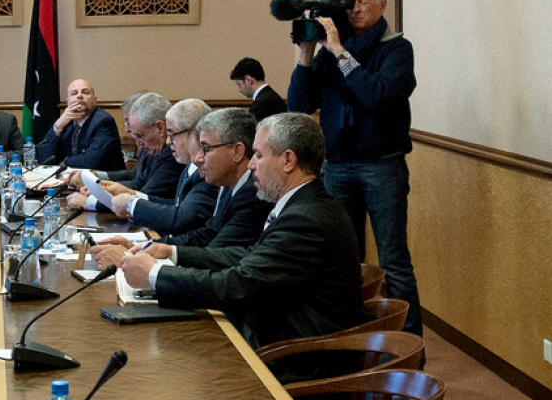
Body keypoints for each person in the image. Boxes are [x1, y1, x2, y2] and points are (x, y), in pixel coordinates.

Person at [119, 113, 371, 350]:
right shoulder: (306, 205)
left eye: (259, 155)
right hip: (278, 336)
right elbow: (250, 255)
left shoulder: (307, 219)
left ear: (288, 160)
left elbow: (237, 284)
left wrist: (154, 275)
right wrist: (173, 254)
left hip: (293, 357)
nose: (251, 165)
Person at [286, 0, 421, 335]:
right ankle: (353, 341)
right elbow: (299, 105)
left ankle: (409, 353)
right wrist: (306, 54)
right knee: (345, 260)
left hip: (382, 166)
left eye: (362, 2)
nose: (355, 9)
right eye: (350, 3)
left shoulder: (396, 49)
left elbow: (376, 94)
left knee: (394, 263)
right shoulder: (332, 50)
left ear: (383, 5)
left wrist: (339, 52)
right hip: (339, 165)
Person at [95, 109, 269, 268]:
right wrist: (144, 248)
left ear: (237, 152)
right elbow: (206, 235)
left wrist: (132, 258)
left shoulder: (252, 193)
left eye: (206, 149)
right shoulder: (229, 185)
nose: (198, 159)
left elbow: (216, 254)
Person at [103, 99, 217, 235]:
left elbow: (181, 218)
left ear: (195, 135)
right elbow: (176, 205)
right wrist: (132, 195)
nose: (168, 141)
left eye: (172, 135)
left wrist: (132, 204)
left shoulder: (208, 170)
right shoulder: (188, 166)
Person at [65, 92, 182, 205]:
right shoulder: (154, 145)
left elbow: (146, 197)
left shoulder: (171, 153)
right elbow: (138, 181)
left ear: (160, 128)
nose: (138, 143)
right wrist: (100, 185)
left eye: (140, 136)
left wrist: (91, 202)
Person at [34, 78, 126, 171]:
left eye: (85, 92)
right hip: (71, 180)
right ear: (68, 102)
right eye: (74, 93)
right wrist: (57, 126)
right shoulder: (65, 122)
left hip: (104, 181)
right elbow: (43, 159)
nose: (79, 96)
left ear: (95, 100)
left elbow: (92, 161)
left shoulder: (104, 121)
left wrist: (65, 161)